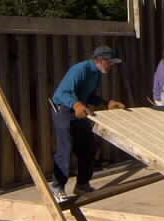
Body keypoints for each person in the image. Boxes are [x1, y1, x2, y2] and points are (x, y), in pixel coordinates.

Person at [50, 46, 126, 202]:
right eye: (110, 62)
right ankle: (57, 188)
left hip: (79, 110)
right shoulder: (80, 70)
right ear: (101, 60)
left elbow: (89, 96)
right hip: (64, 109)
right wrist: (76, 104)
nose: (112, 66)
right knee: (66, 148)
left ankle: (82, 185)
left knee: (89, 146)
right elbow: (62, 93)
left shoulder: (96, 73)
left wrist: (106, 103)